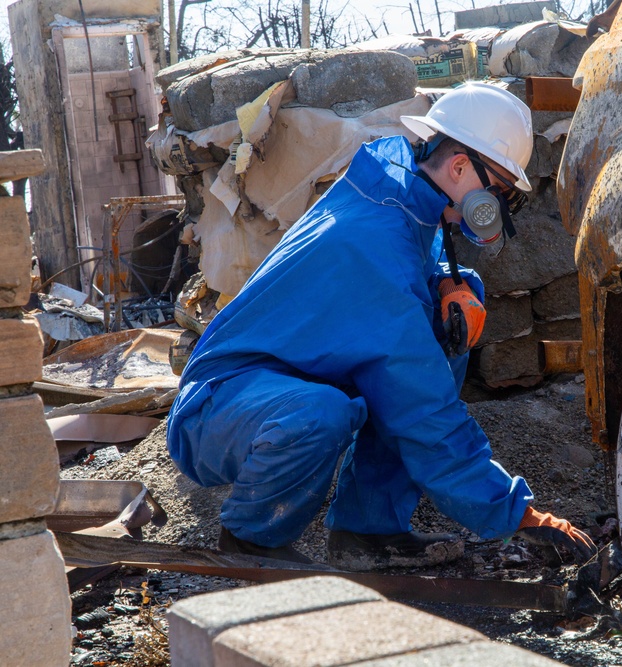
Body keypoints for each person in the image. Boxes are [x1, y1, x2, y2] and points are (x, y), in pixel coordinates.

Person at [165, 82, 598, 570]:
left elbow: (396, 300)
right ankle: (251, 543)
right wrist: (516, 515)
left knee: (448, 313)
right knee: (322, 413)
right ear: (459, 167)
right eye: (496, 189)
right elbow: (424, 412)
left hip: (275, 385)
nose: (497, 206)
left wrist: (447, 286)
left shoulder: (399, 204)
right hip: (222, 405)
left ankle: (368, 531)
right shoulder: (376, 241)